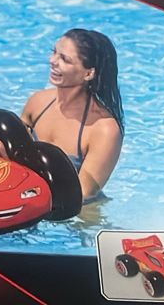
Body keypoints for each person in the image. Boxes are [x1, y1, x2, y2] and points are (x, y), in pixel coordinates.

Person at [20, 28, 124, 202]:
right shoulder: (38, 102)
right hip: (31, 199)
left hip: (81, 213)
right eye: (54, 52)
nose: (52, 61)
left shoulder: (104, 129)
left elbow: (84, 193)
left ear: (88, 73)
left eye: (65, 59)